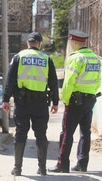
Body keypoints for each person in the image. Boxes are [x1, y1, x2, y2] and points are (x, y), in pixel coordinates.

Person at [2, 32, 59, 176]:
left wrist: (6, 99)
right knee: (41, 134)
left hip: (22, 102)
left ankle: (17, 168)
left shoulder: (18, 57)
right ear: (39, 44)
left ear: (28, 43)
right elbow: (53, 82)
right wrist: (55, 102)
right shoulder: (47, 59)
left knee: (21, 134)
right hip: (40, 103)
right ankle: (42, 168)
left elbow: (10, 80)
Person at [49, 30, 101, 173]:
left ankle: (62, 164)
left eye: (71, 42)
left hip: (75, 100)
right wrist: (91, 92)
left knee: (67, 132)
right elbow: (98, 81)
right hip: (90, 99)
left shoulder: (76, 58)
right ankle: (82, 164)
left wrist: (65, 100)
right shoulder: (96, 59)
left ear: (75, 43)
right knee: (85, 132)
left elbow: (68, 82)